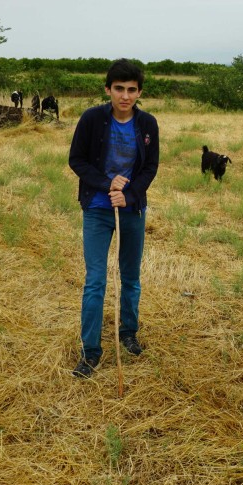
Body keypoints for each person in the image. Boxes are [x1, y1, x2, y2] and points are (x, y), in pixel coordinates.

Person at [68, 59, 159, 378]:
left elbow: (150, 168)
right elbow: (76, 160)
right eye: (118, 89)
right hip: (96, 208)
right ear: (108, 89)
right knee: (95, 281)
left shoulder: (147, 124)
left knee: (130, 277)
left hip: (131, 211)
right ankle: (91, 351)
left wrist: (130, 195)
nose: (124, 95)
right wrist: (107, 184)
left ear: (139, 92)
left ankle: (128, 333)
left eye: (131, 90)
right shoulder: (92, 119)